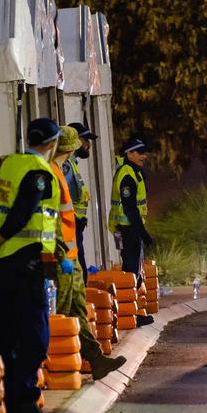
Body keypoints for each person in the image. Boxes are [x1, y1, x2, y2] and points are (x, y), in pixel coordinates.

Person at [0, 118, 64, 413]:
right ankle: (24, 406)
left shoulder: (7, 166)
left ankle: (10, 408)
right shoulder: (39, 173)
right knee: (36, 340)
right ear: (52, 144)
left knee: (10, 340)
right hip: (25, 267)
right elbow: (23, 212)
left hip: (2, 268)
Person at [50, 126, 126, 379]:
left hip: (68, 257)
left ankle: (95, 359)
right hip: (58, 258)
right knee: (59, 314)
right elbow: (51, 221)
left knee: (76, 311)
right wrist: (62, 256)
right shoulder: (53, 172)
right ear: (71, 146)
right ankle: (49, 369)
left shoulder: (61, 169)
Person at [109, 136, 154, 290]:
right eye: (140, 152)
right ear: (129, 154)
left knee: (135, 270)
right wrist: (144, 233)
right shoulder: (127, 175)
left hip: (131, 228)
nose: (144, 156)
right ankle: (130, 311)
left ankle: (135, 311)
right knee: (131, 272)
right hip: (127, 228)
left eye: (145, 153)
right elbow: (130, 208)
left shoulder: (134, 172)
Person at [63, 122, 97, 279]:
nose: (88, 145)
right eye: (85, 140)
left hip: (76, 226)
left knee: (80, 271)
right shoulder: (67, 166)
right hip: (70, 227)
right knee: (79, 274)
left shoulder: (72, 164)